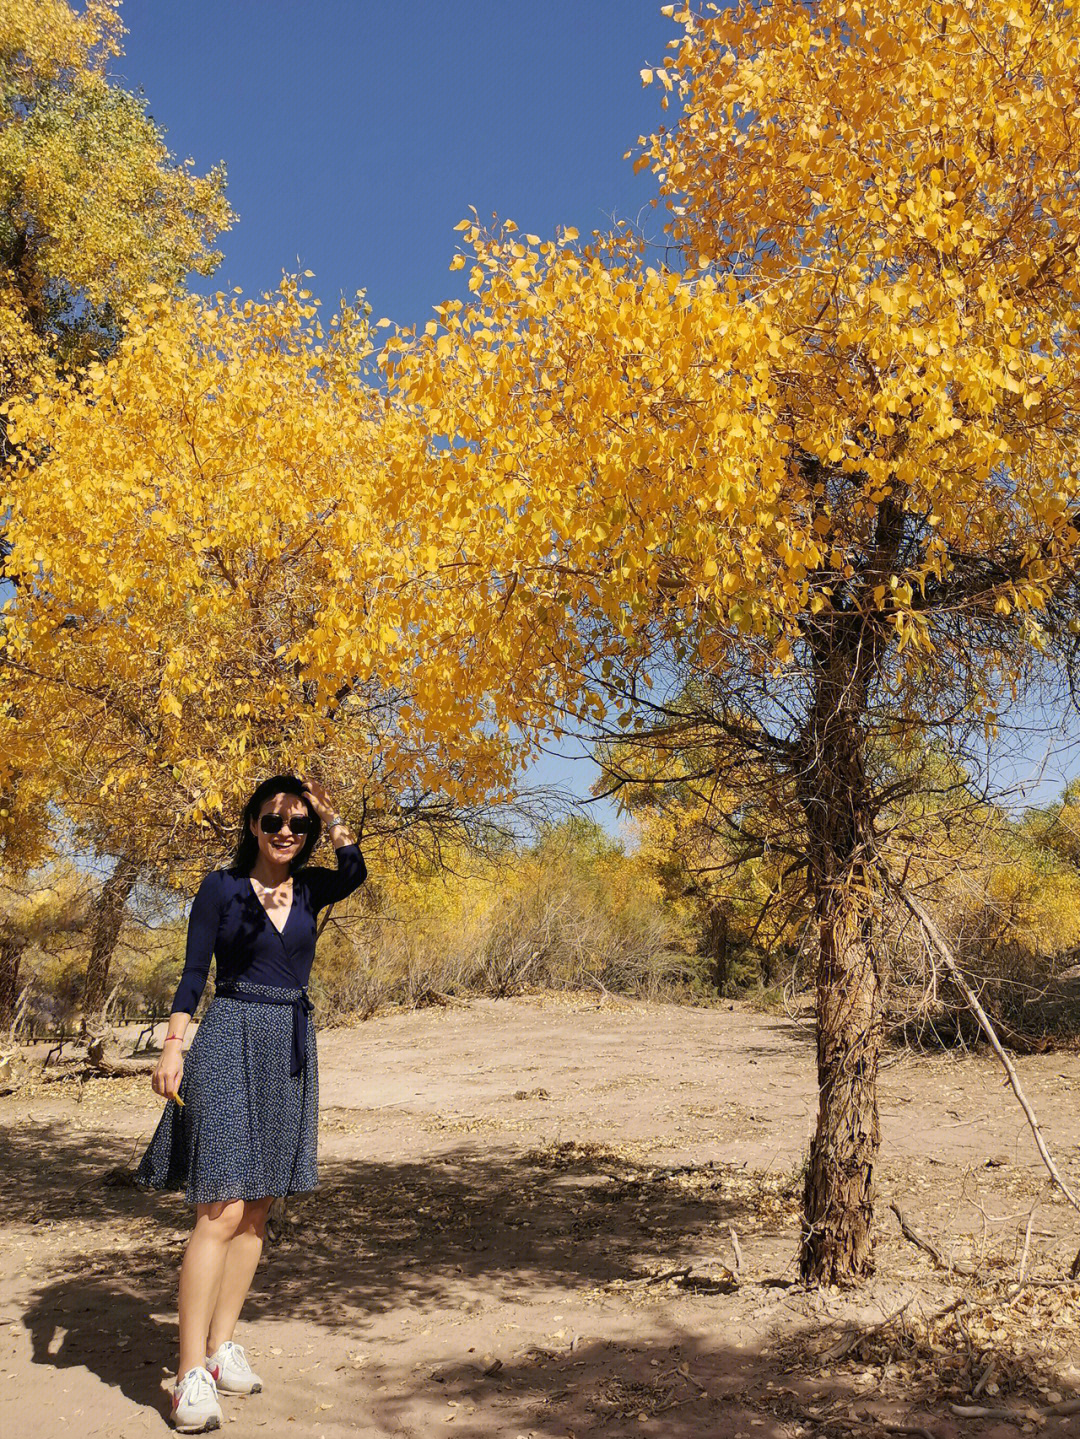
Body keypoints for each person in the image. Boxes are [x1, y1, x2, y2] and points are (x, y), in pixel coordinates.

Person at [135, 773, 367, 1433]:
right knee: (222, 1205)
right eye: (274, 821)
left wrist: (329, 810)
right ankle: (188, 1378)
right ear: (252, 825)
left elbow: (356, 866)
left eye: (299, 824)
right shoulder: (222, 888)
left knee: (259, 1203)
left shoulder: (315, 886)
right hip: (230, 1035)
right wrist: (173, 1044)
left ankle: (220, 1346)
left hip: (289, 1045)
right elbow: (191, 972)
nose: (286, 832)